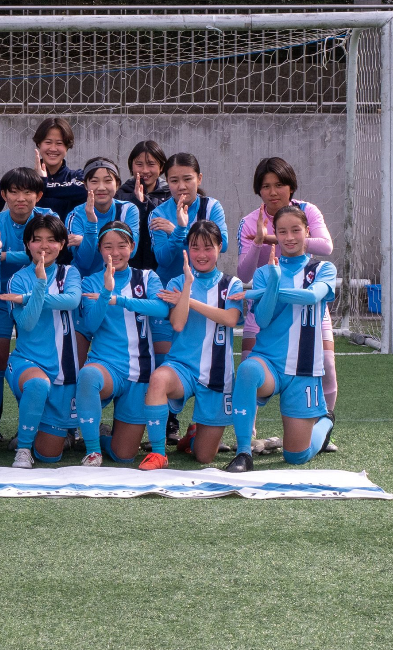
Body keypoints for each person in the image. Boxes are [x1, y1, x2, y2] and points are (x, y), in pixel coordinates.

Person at [224, 205, 337, 473]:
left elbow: (311, 297)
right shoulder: (265, 272)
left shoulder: (323, 268)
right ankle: (243, 453)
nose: (289, 237)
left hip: (304, 369)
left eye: (296, 230)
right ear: (274, 234)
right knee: (249, 369)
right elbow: (262, 320)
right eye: (282, 231)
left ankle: (325, 423)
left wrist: (258, 293)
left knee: (296, 457)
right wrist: (269, 285)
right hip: (270, 364)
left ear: (307, 232)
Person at [236, 157, 338, 447]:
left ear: (290, 186)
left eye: (279, 184)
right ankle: (248, 438)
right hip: (267, 303)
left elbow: (326, 246)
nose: (273, 191)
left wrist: (273, 237)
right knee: (250, 367)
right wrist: (258, 240)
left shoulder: (307, 211)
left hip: (306, 307)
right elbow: (245, 272)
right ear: (259, 191)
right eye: (266, 186)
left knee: (327, 366)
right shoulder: (248, 222)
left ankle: (321, 424)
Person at [144, 220, 244, 469]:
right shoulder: (178, 283)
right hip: (182, 367)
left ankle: (192, 436)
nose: (201, 254)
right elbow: (177, 324)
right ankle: (158, 454)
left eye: (208, 247)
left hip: (217, 372)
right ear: (187, 249)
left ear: (220, 247)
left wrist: (190, 302)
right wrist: (188, 285)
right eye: (195, 247)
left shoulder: (231, 284)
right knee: (158, 379)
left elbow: (230, 319)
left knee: (204, 457)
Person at [75, 222, 171, 466]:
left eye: (121, 246)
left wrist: (120, 299)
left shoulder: (147, 277)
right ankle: (93, 450)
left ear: (133, 247)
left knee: (124, 455)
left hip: (140, 371)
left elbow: (161, 308)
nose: (114, 253)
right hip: (107, 366)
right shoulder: (90, 282)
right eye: (108, 246)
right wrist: (106, 292)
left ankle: (106, 439)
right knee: (87, 376)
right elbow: (91, 324)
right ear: (99, 249)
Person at [0, 214, 81, 469]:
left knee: (50, 455)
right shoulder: (18, 278)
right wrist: (40, 285)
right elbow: (27, 324)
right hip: (26, 362)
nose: (44, 246)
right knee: (38, 385)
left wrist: (25, 298)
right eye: (37, 240)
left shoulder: (69, 272)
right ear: (27, 244)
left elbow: (72, 300)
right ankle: (23, 449)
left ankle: (50, 431)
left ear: (62, 244)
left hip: (63, 369)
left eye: (52, 240)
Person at [0, 166, 55, 450]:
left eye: (28, 192)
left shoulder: (49, 219)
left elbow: (50, 253)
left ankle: (50, 427)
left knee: (42, 363)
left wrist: (3, 253)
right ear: (4, 195)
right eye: (14, 192)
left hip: (38, 301)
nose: (21, 198)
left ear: (39, 195)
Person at [148, 152, 229, 288]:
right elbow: (163, 260)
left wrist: (177, 231)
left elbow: (223, 245)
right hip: (169, 288)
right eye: (174, 181)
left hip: (204, 287)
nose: (181, 186)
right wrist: (179, 231)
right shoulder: (158, 214)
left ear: (199, 179)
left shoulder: (211, 207)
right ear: (167, 181)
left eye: (187, 179)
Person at [66, 158, 141, 277]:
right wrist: (91, 222)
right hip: (84, 281)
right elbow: (84, 263)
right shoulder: (75, 216)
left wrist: (86, 240)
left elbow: (131, 252)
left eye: (107, 181)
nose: (101, 187)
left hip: (118, 278)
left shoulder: (128, 210)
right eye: (94, 181)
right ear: (85, 185)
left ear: (117, 185)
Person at [117, 140, 170, 271]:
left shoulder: (170, 195)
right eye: (139, 164)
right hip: (130, 268)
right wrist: (137, 203)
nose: (145, 170)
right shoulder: (121, 195)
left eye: (151, 164)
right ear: (131, 167)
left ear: (161, 167)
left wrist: (145, 203)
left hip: (162, 268)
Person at [33, 117, 87, 222]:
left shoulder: (77, 176)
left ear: (67, 146)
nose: (53, 149)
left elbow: (86, 191)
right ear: (39, 144)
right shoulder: (27, 178)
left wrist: (42, 185)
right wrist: (39, 180)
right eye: (48, 142)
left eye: (59, 143)